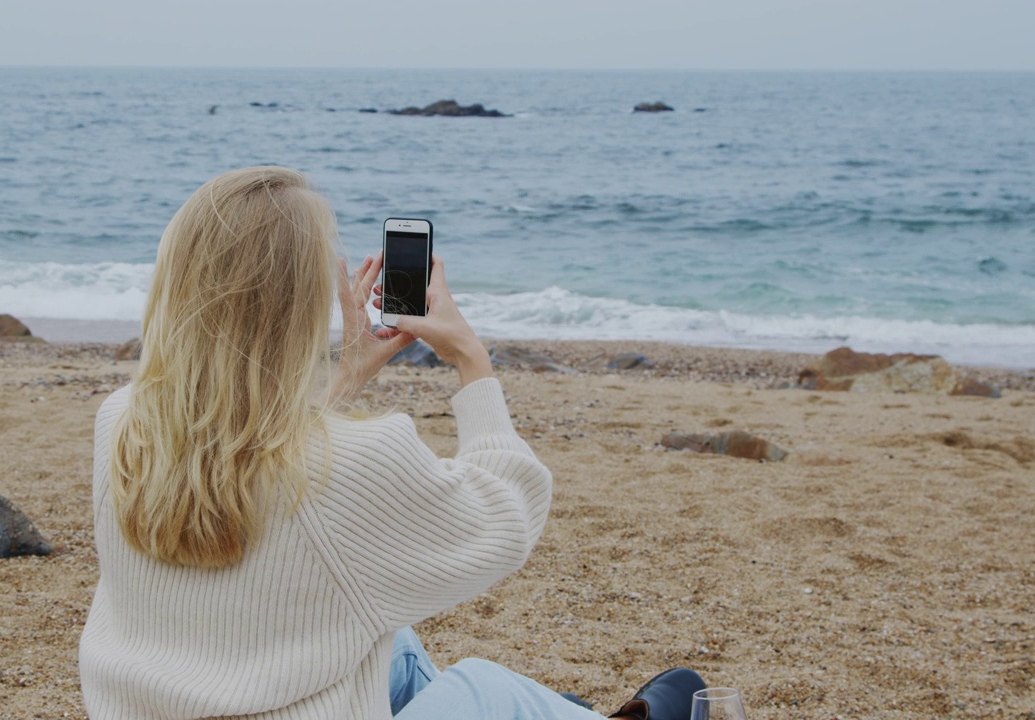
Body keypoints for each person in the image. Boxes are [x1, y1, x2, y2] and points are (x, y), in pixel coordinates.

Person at [78, 166, 705, 719]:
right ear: (298, 303)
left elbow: (253, 467)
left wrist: (345, 377)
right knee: (484, 688)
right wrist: (470, 360)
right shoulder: (356, 462)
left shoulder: (122, 423)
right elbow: (509, 515)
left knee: (393, 641)